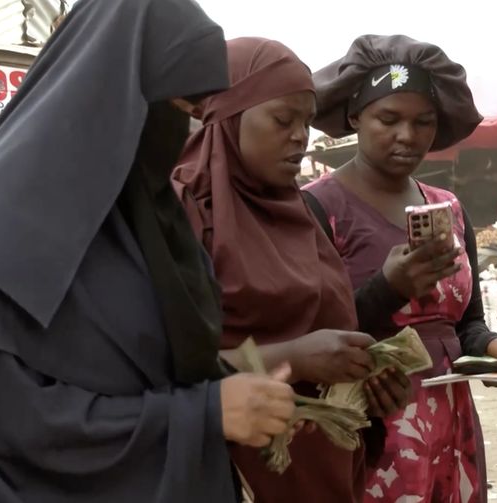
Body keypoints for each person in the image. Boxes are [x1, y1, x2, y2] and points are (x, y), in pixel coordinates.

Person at [0, 2, 298, 501]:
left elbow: (156, 370)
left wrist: (245, 394)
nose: (187, 130)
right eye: (180, 107)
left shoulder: (155, 227)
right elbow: (2, 424)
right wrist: (203, 414)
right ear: (110, 96)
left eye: (198, 113)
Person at [171, 37, 410, 503]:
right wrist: (292, 359)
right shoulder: (182, 214)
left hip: (323, 468)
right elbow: (158, 373)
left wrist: (368, 378)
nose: (301, 136)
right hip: (235, 473)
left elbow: (329, 327)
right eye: (284, 119)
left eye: (306, 121)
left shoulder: (303, 215)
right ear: (229, 116)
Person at [304, 34, 497, 503]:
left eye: (423, 122)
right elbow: (309, 334)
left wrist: (492, 348)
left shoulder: (448, 207)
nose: (408, 135)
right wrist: (388, 288)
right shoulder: (317, 208)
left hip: (451, 423)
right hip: (372, 421)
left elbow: (466, 323)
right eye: (389, 118)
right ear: (355, 117)